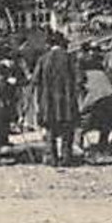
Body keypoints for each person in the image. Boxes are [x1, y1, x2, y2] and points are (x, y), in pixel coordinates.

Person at [33, 32, 82, 167]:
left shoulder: (43, 59)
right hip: (66, 99)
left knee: (50, 130)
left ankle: (52, 158)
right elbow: (79, 79)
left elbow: (35, 80)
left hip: (48, 100)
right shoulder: (70, 58)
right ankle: (66, 157)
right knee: (67, 129)